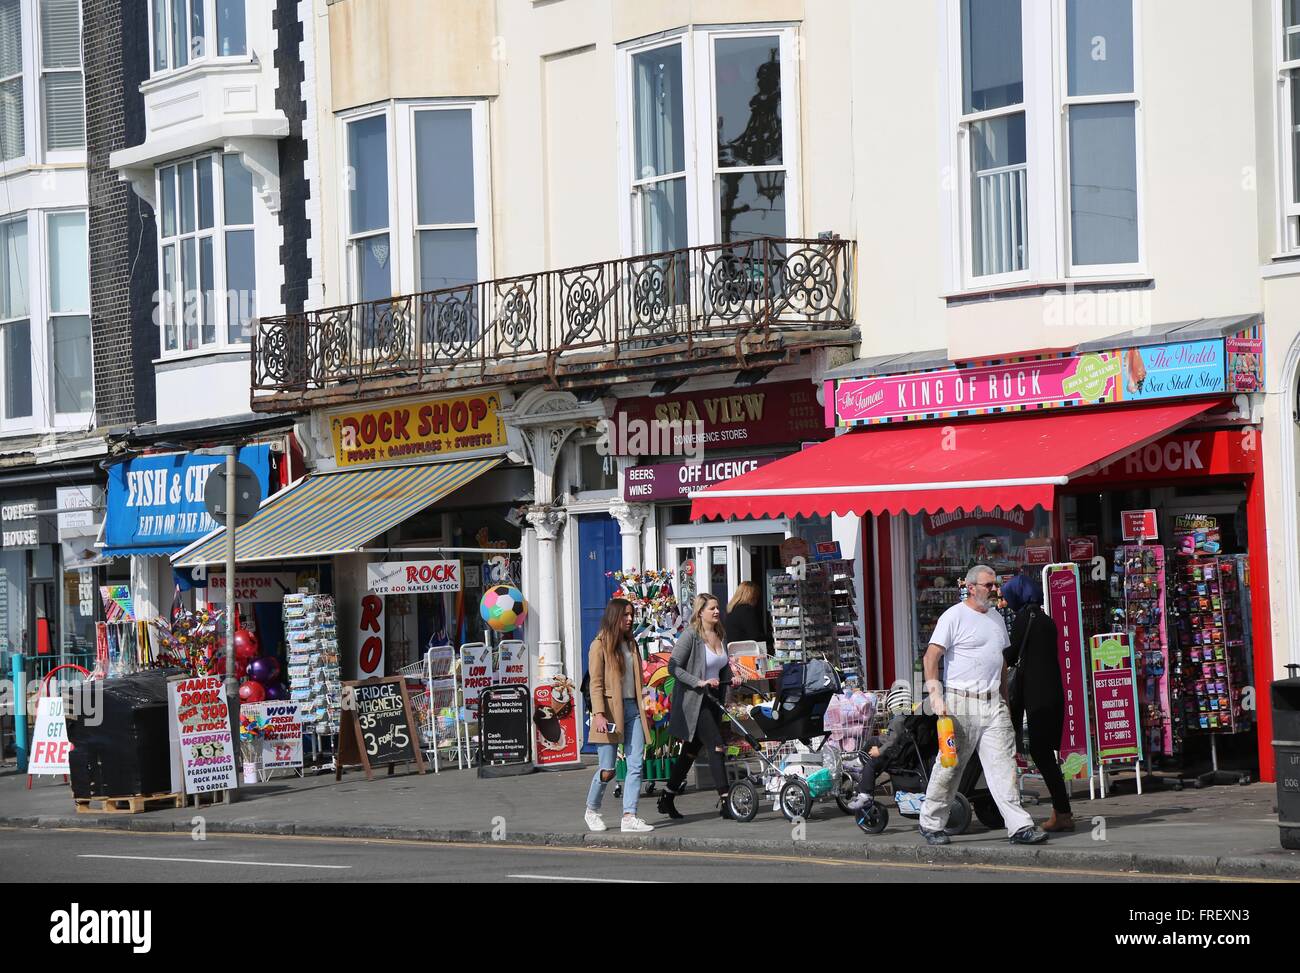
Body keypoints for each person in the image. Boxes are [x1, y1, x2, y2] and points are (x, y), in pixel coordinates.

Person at [918, 565, 1047, 846]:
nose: (994, 590)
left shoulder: (997, 619)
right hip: (960, 702)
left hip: (993, 703)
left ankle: (1019, 826)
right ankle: (930, 823)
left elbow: (1000, 663)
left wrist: (1004, 700)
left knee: (1004, 768)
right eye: (988, 585)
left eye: (995, 585)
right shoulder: (953, 616)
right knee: (950, 766)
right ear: (972, 586)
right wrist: (936, 696)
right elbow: (930, 658)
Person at [656, 593, 734, 820]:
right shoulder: (691, 636)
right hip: (695, 701)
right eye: (712, 608)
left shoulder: (720, 634)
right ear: (700, 612)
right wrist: (699, 682)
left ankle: (667, 798)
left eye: (718, 607)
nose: (717, 612)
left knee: (690, 751)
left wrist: (733, 678)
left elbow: (722, 667)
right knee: (717, 746)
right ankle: (726, 801)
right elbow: (673, 667)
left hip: (713, 700)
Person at [1004, 578, 1073, 832]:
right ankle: (1061, 811)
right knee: (1046, 754)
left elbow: (1012, 654)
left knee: (1042, 754)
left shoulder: (1025, 620)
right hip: (1052, 693)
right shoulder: (1046, 620)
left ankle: (1063, 813)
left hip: (1037, 697)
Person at [584, 598, 654, 833]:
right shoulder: (599, 645)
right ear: (614, 616)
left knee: (636, 763)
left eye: (631, 614)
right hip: (610, 713)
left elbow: (637, 680)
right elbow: (595, 683)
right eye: (625, 615)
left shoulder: (631, 644)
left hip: (633, 709)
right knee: (608, 769)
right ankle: (591, 810)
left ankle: (629, 816)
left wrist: (646, 702)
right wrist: (599, 714)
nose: (630, 619)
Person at [846, 685, 913, 811]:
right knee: (873, 740)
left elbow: (892, 741)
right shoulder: (907, 718)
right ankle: (860, 762)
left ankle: (865, 795)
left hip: (893, 755)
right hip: (900, 751)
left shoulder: (897, 721)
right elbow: (892, 736)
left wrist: (879, 751)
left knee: (871, 765)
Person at [724, 581, 766, 647]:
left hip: (734, 651)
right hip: (746, 652)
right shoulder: (747, 610)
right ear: (751, 596)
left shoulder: (732, 609)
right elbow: (755, 635)